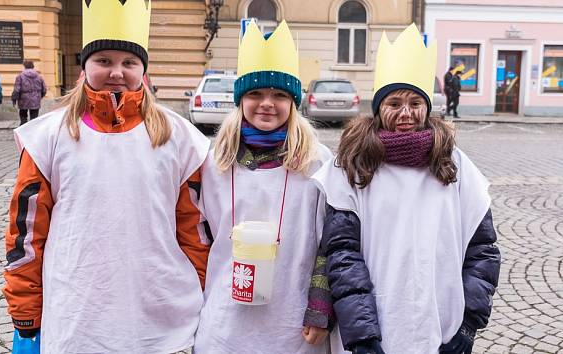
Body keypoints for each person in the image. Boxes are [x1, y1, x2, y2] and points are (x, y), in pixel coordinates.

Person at [1, 0, 210, 352]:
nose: (117, 72)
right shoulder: (49, 136)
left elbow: (196, 228)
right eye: (104, 61)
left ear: (143, 71)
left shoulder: (178, 136)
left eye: (129, 62)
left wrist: (198, 288)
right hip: (77, 304)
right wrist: (25, 307)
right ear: (85, 68)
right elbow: (26, 232)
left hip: (155, 304)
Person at [313, 24, 501, 354]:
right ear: (378, 109)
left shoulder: (454, 165)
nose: (405, 113)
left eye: (415, 102)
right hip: (373, 331)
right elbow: (342, 255)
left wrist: (468, 324)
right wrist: (363, 336)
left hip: (440, 326)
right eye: (395, 102)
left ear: (427, 108)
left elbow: (482, 249)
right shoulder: (352, 166)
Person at [194, 20, 333, 354]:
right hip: (226, 316)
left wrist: (321, 306)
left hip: (292, 318)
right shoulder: (213, 160)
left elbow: (330, 242)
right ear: (240, 99)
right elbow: (197, 236)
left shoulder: (317, 163)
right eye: (255, 93)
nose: (267, 103)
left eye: (280, 95)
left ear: (293, 102)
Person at [11, 60, 47, 125]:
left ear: (24, 66)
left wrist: (14, 99)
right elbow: (44, 89)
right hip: (35, 99)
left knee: (23, 116)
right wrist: (40, 96)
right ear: (33, 66)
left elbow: (16, 89)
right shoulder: (39, 76)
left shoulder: (20, 76)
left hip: (23, 99)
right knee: (34, 118)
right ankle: (33, 132)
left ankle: (23, 131)